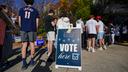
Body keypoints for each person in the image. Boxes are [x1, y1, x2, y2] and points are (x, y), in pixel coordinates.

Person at [19, 0, 39, 69]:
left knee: (24, 45)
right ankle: (32, 61)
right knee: (32, 43)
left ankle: (24, 64)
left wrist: (21, 27)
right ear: (32, 2)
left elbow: (19, 21)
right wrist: (36, 29)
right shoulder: (35, 10)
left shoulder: (21, 9)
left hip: (23, 28)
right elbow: (37, 22)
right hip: (32, 28)